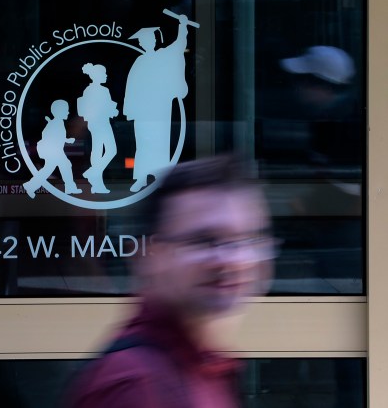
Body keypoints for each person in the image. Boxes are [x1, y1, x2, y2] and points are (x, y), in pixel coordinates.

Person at [63, 154, 276, 408]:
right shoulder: (135, 386)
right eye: (204, 240)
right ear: (150, 255)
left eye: (249, 239)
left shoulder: (207, 367)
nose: (233, 258)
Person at [123, 15, 193, 192]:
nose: (148, 42)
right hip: (143, 110)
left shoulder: (163, 56)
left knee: (160, 141)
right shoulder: (139, 62)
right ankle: (140, 177)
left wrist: (182, 26)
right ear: (141, 44)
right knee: (143, 142)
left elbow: (178, 45)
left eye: (151, 38)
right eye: (144, 40)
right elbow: (131, 87)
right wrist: (130, 109)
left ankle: (161, 176)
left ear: (156, 40)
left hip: (160, 107)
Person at [23, 100, 82, 198]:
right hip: (54, 152)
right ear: (59, 112)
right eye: (65, 110)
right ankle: (31, 186)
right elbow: (49, 136)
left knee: (58, 167)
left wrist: (67, 140)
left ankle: (31, 186)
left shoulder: (57, 123)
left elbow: (58, 137)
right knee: (60, 167)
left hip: (56, 151)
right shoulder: (55, 124)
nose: (68, 112)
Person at [78, 63, 119, 194]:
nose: (106, 76)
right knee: (100, 150)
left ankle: (94, 174)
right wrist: (109, 110)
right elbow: (95, 109)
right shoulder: (90, 91)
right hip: (97, 123)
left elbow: (106, 107)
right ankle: (96, 180)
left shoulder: (104, 90)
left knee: (108, 150)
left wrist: (112, 111)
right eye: (104, 74)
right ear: (96, 76)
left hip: (103, 122)